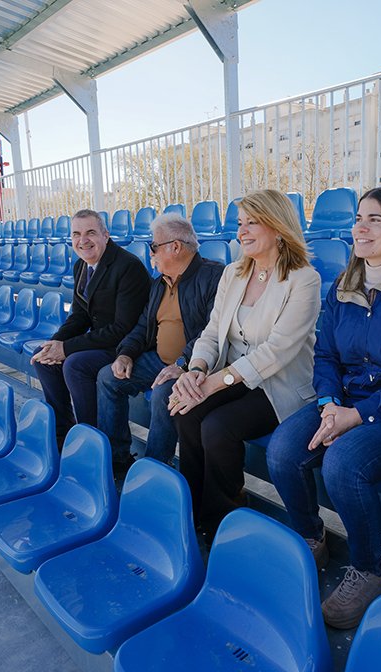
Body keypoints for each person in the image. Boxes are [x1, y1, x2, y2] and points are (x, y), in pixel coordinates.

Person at [266, 185, 381, 630]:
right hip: (345, 400)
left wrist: (358, 415)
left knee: (342, 463)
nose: (361, 227)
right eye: (358, 218)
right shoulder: (344, 286)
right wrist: (331, 402)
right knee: (282, 451)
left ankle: (371, 569)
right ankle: (311, 538)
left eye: (375, 219)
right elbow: (326, 355)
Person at [170, 189, 321, 538]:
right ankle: (194, 506)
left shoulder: (304, 280)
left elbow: (276, 352)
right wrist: (196, 372)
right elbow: (211, 332)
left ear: (278, 227)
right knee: (185, 408)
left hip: (277, 384)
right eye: (240, 223)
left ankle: (224, 518)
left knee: (218, 426)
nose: (242, 232)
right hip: (230, 373)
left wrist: (213, 383)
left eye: (253, 222)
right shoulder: (233, 274)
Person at [95, 214, 225, 465]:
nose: (151, 253)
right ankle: (117, 459)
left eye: (154, 246)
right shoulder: (159, 284)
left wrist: (182, 364)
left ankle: (155, 468)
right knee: (108, 377)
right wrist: (126, 353)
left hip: (195, 368)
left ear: (175, 247)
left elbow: (212, 331)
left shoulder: (213, 277)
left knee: (164, 393)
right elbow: (143, 325)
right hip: (158, 362)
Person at [31, 209, 151, 454]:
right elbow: (79, 315)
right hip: (103, 340)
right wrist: (54, 344)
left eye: (90, 233)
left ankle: (91, 442)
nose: (82, 240)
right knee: (43, 359)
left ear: (106, 235)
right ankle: (64, 434)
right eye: (76, 234)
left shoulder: (128, 267)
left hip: (128, 346)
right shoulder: (81, 266)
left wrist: (66, 349)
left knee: (75, 364)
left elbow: (122, 328)